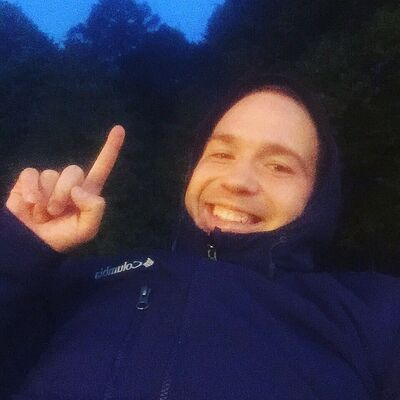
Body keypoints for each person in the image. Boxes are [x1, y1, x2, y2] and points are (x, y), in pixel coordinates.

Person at [1, 75, 400, 399]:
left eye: (278, 166)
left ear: (317, 196)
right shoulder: (79, 284)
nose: (237, 181)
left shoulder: (374, 315)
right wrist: (18, 247)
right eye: (222, 154)